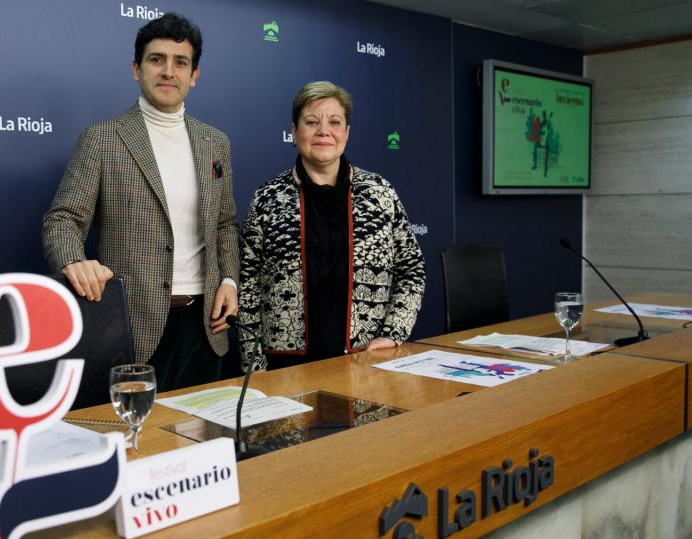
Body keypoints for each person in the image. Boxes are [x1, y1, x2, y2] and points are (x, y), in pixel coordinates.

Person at [42, 13, 239, 392]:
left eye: (180, 62)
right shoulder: (102, 138)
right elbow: (62, 219)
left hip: (205, 328)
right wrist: (72, 260)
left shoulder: (216, 142)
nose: (169, 71)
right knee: (137, 443)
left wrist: (229, 278)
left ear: (194, 75)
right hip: (131, 327)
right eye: (156, 59)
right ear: (137, 69)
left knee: (198, 440)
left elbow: (225, 223)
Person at [238, 81, 425, 371]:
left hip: (365, 364)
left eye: (335, 122)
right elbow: (247, 285)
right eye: (311, 122)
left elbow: (411, 271)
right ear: (295, 131)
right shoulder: (267, 198)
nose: (324, 131)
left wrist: (393, 332)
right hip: (285, 371)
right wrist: (254, 366)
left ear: (347, 133)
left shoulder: (380, 194)